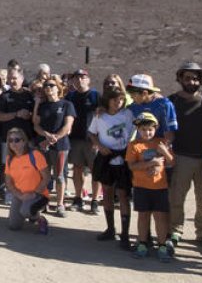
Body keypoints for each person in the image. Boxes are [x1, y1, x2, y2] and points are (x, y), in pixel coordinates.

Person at [167, 62, 202, 251]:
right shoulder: (172, 101)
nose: (191, 81)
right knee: (177, 196)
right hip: (181, 155)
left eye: (195, 78)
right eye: (187, 77)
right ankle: (176, 229)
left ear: (201, 80)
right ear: (180, 79)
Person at [89, 88, 135, 249]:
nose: (118, 103)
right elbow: (92, 133)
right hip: (106, 156)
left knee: (123, 194)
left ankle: (125, 233)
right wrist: (99, 146)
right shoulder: (100, 116)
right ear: (107, 101)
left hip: (123, 156)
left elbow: (134, 131)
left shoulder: (128, 115)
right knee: (107, 192)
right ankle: (110, 228)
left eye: (121, 100)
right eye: (115, 100)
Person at [126, 112, 174, 262]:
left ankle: (162, 245)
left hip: (160, 187)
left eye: (150, 129)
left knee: (160, 218)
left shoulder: (161, 143)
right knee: (143, 216)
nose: (147, 132)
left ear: (156, 129)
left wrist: (165, 152)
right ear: (138, 130)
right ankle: (142, 243)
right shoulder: (134, 145)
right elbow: (132, 165)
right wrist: (151, 163)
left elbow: (172, 162)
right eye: (144, 130)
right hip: (141, 187)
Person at [32, 75, 75, 216]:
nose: (48, 88)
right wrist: (46, 135)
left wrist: (54, 138)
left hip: (60, 146)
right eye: (46, 86)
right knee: (43, 175)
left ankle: (60, 204)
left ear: (58, 88)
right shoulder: (42, 106)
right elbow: (36, 125)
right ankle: (44, 202)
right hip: (43, 145)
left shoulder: (66, 105)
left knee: (59, 176)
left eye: (51, 85)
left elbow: (68, 125)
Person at [0, 65, 35, 203]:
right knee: (9, 167)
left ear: (22, 79)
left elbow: (35, 115)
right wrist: (16, 114)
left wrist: (29, 115)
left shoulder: (30, 95)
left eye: (15, 78)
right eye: (10, 78)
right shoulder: (4, 96)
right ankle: (9, 193)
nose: (12, 81)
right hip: (9, 139)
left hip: (27, 139)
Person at [65, 69, 99, 212]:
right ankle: (78, 198)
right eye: (77, 78)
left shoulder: (95, 95)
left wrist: (98, 140)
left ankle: (95, 200)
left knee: (95, 171)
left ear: (88, 79)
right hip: (75, 139)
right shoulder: (70, 96)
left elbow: (101, 116)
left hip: (92, 139)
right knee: (77, 169)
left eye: (83, 77)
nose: (79, 80)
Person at [4, 128, 50, 234]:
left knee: (26, 211)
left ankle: (40, 219)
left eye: (17, 140)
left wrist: (34, 194)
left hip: (38, 194)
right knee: (13, 226)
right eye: (10, 140)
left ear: (24, 141)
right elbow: (9, 182)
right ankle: (29, 214)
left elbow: (46, 177)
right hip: (20, 195)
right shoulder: (9, 159)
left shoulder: (35, 155)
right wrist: (19, 195)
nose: (13, 143)